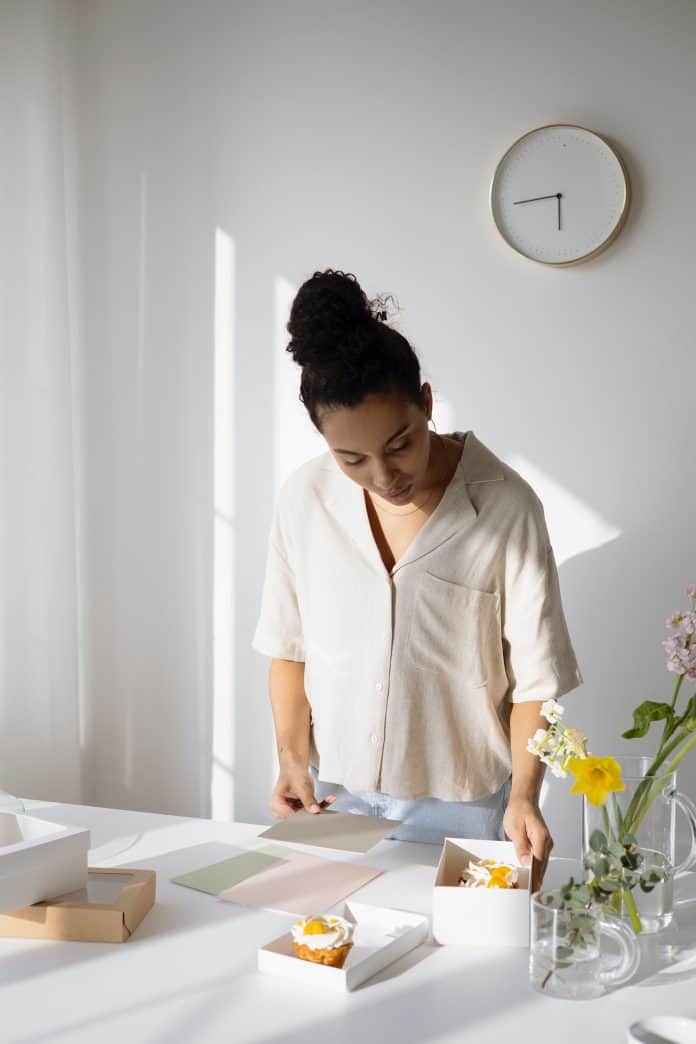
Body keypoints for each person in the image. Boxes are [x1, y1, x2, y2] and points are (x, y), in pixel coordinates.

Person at [252, 268, 583, 886]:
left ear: (427, 404)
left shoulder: (506, 507)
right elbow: (288, 648)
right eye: (352, 458)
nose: (383, 475)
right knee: (322, 957)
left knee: (462, 973)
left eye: (400, 443)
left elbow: (537, 680)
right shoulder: (304, 499)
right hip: (334, 796)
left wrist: (524, 798)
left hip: (463, 805)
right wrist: (292, 762)